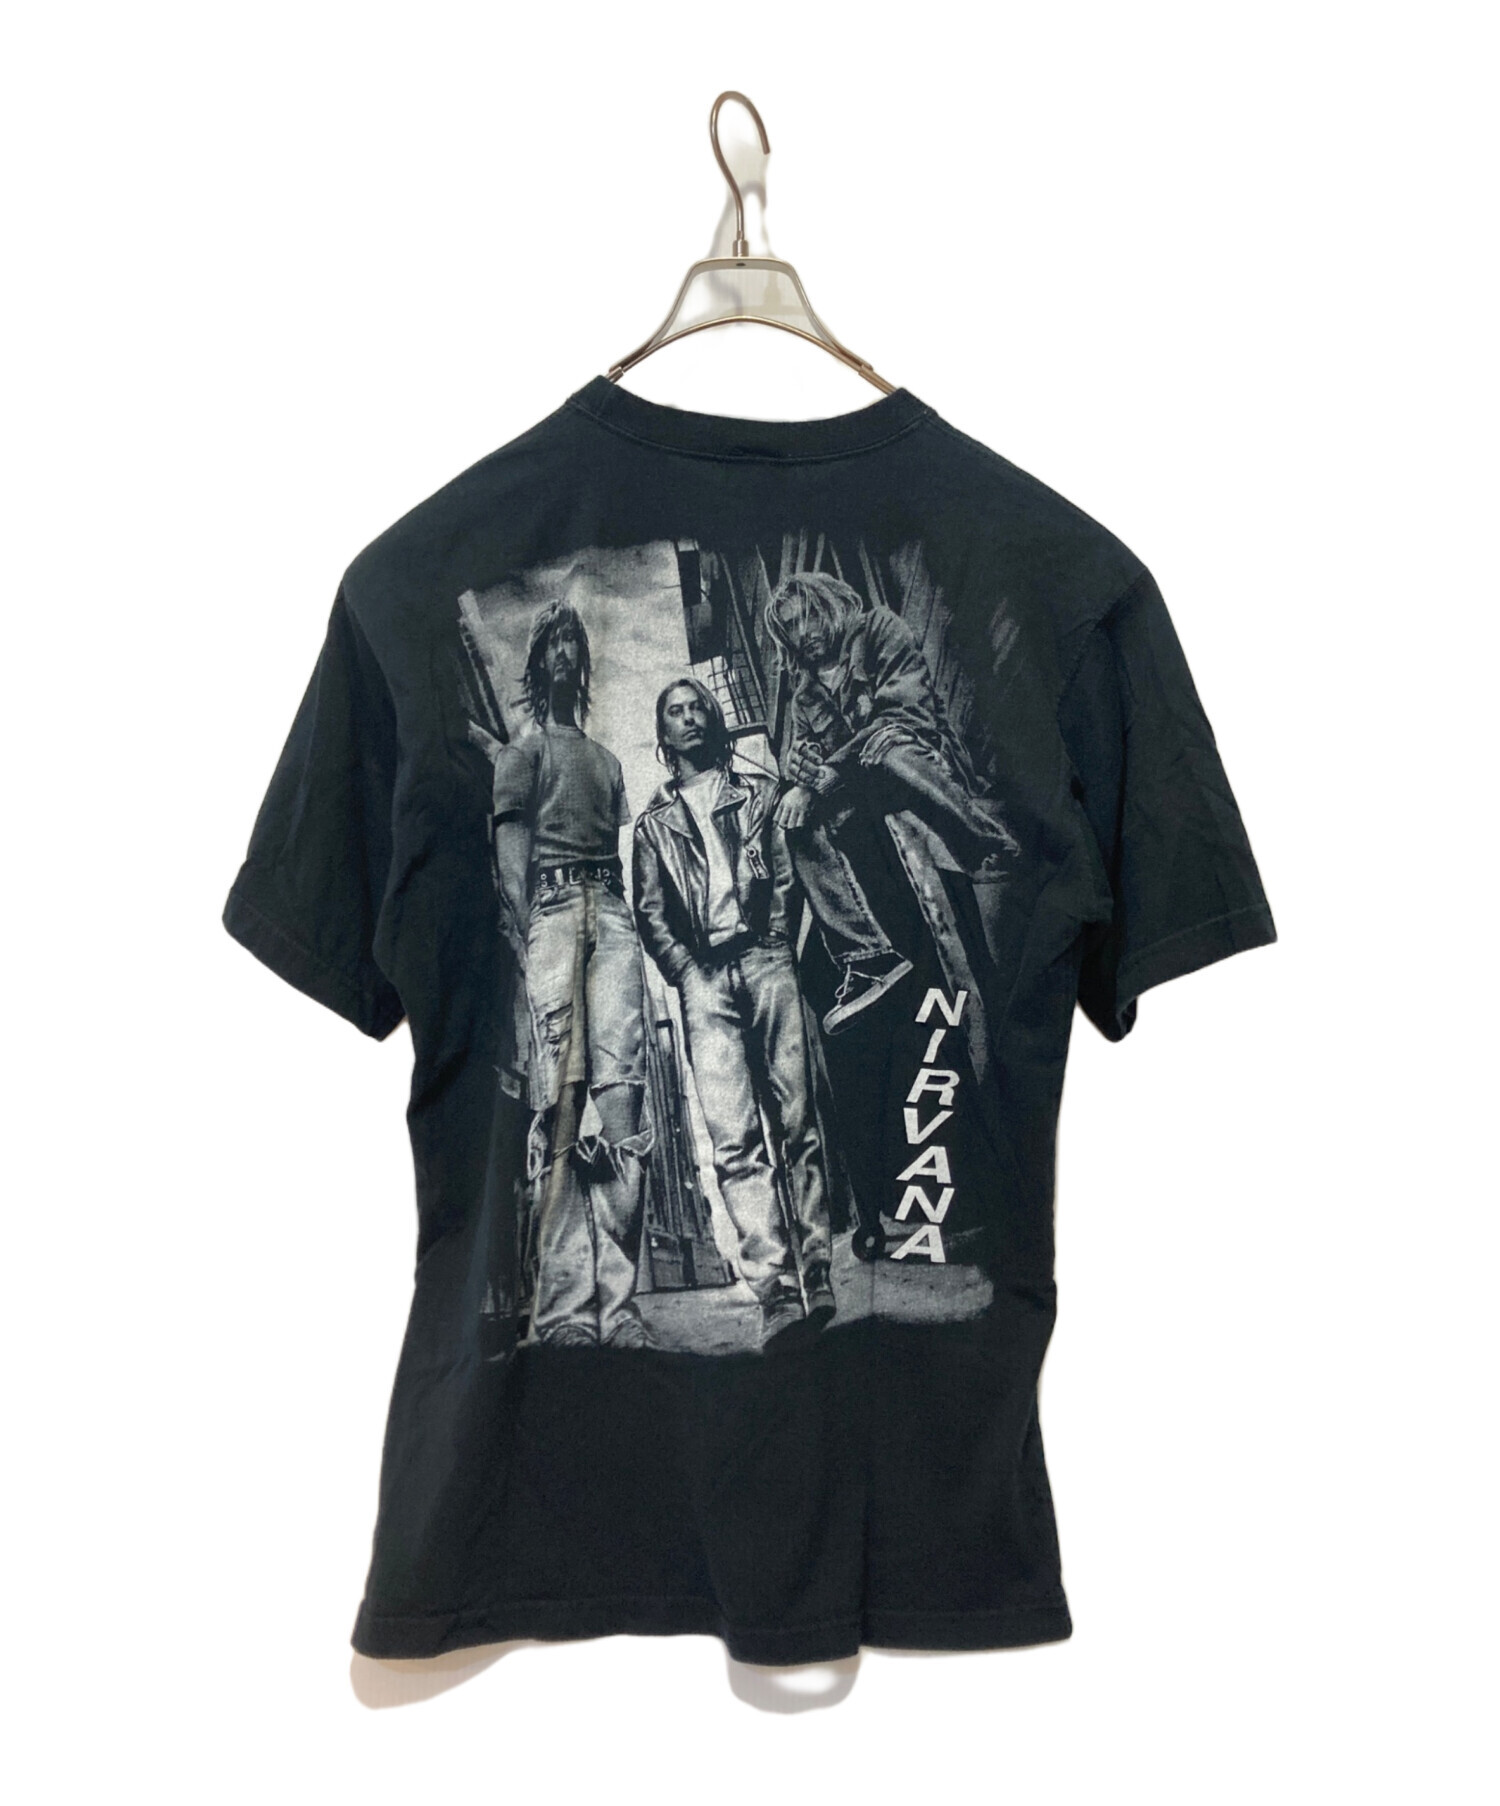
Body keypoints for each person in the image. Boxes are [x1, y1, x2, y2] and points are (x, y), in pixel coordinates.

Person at [632, 678, 836, 1351]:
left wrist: (774, 938)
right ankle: (775, 1290)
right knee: (734, 1138)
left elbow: (782, 872)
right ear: (663, 735)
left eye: (699, 707)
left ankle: (817, 1271)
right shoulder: (653, 827)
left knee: (798, 1119)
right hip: (704, 980)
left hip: (765, 959)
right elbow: (651, 913)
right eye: (676, 712)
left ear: (714, 720)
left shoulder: (758, 793)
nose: (690, 718)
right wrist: (687, 971)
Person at [487, 599, 653, 1349]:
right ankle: (563, 1312)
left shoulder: (608, 763)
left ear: (583, 660)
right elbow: (511, 863)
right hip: (553, 912)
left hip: (611, 914)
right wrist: (531, 940)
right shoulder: (520, 755)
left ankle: (619, 1310)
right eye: (551, 642)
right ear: (536, 662)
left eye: (571, 643)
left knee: (623, 1100)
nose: (563, 654)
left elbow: (618, 847)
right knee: (559, 1102)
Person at [766, 571, 1020, 1032]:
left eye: (809, 616)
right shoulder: (804, 695)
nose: (803, 632)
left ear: (831, 603)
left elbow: (909, 714)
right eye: (791, 626)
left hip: (920, 767)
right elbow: (812, 765)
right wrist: (799, 768)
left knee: (886, 742)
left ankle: (984, 841)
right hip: (861, 801)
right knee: (795, 820)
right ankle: (867, 957)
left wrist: (829, 772)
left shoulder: (880, 629)